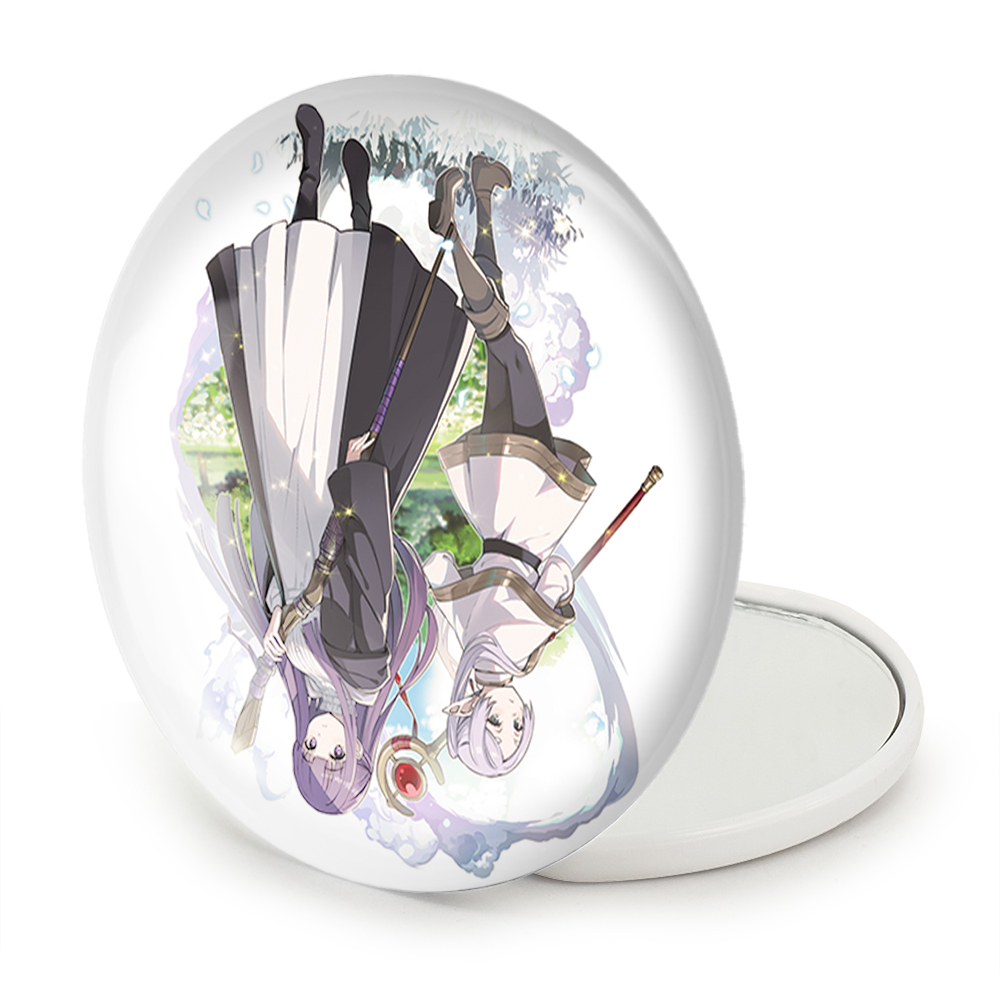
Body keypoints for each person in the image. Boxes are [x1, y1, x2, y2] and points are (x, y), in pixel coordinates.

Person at [208, 104, 473, 813]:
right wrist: (359, 482)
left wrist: (270, 635)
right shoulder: (363, 672)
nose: (322, 742)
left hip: (288, 500)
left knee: (289, 350)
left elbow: (273, 607)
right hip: (339, 489)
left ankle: (311, 174)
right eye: (337, 757)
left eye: (310, 753)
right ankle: (357, 206)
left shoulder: (294, 668)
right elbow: (367, 564)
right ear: (357, 750)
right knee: (350, 343)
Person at [423, 155, 597, 777]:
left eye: (494, 727)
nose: (510, 718)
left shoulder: (505, 652)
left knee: (511, 352)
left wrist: (555, 597)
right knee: (502, 351)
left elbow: (555, 575)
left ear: (470, 716)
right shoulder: (475, 648)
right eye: (517, 729)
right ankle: (481, 195)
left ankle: (452, 231)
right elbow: (441, 568)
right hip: (498, 502)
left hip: (522, 503)